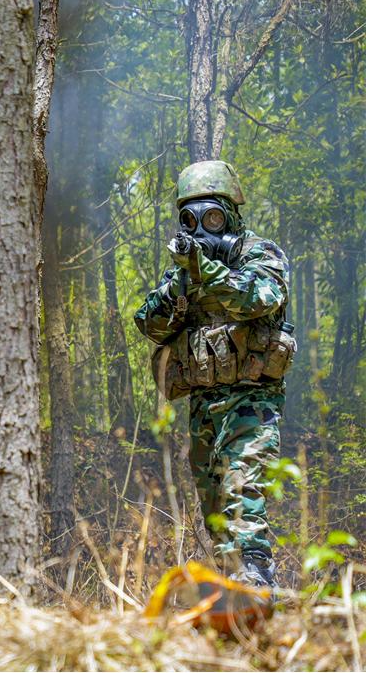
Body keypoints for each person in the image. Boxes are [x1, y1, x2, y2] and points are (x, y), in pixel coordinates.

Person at [134, 160, 294, 588]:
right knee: (214, 504)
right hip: (204, 404)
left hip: (252, 400)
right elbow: (149, 323)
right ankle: (233, 590)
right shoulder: (183, 273)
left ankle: (258, 580)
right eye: (191, 218)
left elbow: (258, 298)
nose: (202, 227)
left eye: (213, 216)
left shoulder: (260, 254)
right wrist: (180, 288)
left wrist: (204, 271)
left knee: (244, 485)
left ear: (231, 213)